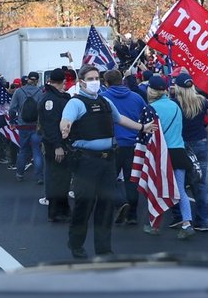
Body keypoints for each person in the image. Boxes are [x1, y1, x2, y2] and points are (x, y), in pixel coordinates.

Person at [59, 65, 155, 259]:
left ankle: (104, 249)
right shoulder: (75, 103)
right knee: (84, 205)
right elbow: (65, 119)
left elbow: (121, 120)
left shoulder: (105, 102)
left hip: (108, 160)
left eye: (97, 78)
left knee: (106, 206)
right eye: (91, 78)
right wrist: (65, 127)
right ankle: (76, 243)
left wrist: (142, 127)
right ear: (82, 82)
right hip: (86, 161)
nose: (95, 81)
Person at [145, 75, 196, 238]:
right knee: (180, 191)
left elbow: (147, 134)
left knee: (157, 188)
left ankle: (155, 224)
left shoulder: (150, 108)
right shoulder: (175, 105)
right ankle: (187, 224)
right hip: (178, 152)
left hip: (160, 154)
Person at [172, 72, 208, 232]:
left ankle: (181, 217)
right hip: (200, 143)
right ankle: (203, 220)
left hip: (181, 144)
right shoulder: (202, 101)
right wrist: (204, 132)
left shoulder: (175, 103)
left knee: (178, 182)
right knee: (199, 183)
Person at [101, 68, 146, 225]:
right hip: (133, 144)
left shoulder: (102, 98)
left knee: (107, 179)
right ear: (122, 80)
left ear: (106, 83)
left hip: (111, 145)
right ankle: (132, 214)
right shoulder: (137, 98)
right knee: (131, 180)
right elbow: (144, 117)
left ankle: (120, 203)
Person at [38, 68, 73, 222]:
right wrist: (58, 145)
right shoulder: (50, 99)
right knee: (55, 177)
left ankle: (63, 209)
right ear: (63, 81)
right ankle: (55, 211)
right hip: (55, 145)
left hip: (63, 143)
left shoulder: (58, 97)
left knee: (63, 178)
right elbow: (50, 125)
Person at [9, 71, 44, 184]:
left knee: (23, 150)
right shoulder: (40, 92)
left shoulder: (19, 91)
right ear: (37, 80)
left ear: (28, 79)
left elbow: (12, 109)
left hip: (23, 125)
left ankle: (19, 173)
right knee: (37, 150)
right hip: (36, 126)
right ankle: (39, 177)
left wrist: (12, 122)